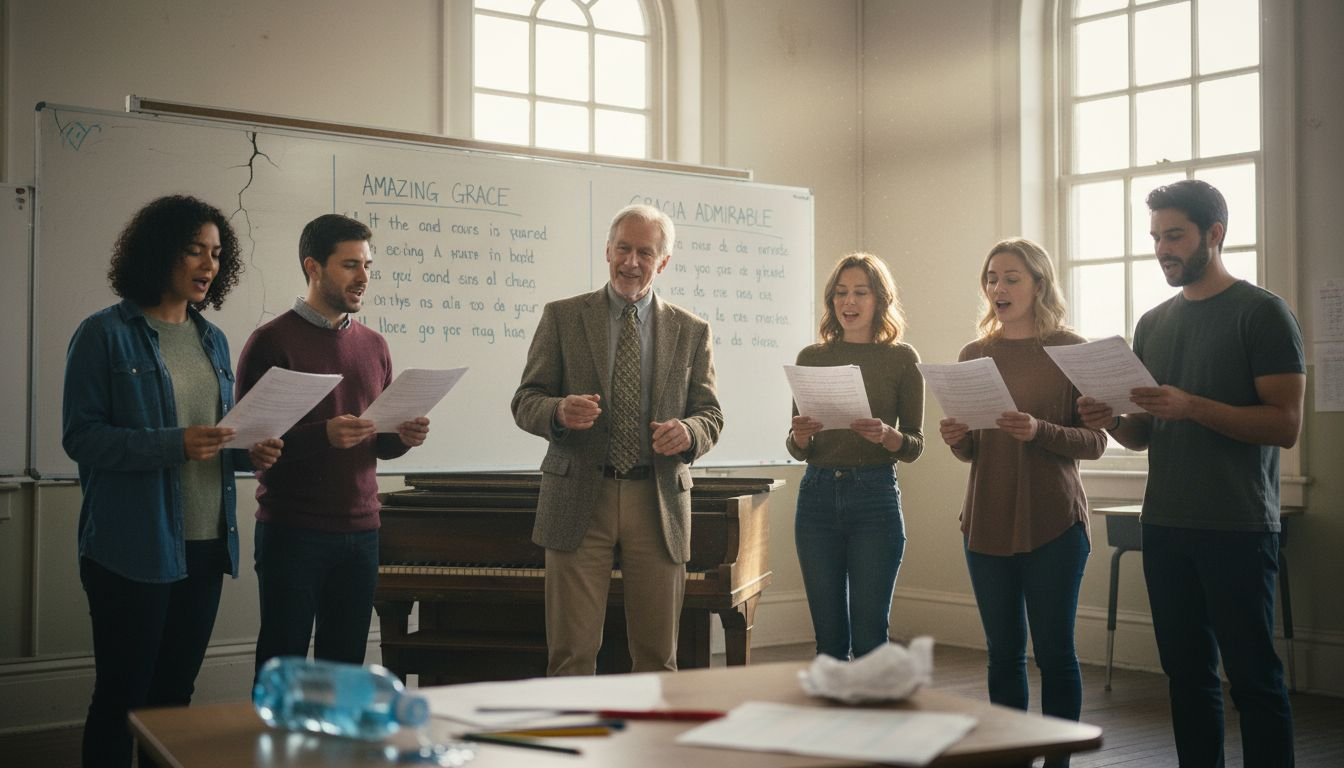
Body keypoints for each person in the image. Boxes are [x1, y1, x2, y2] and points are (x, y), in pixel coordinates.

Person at [1079, 180, 1303, 767]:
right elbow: (1146, 433)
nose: (1161, 249)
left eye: (1173, 235)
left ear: (1215, 234)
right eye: (1155, 237)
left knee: (1254, 678)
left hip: (1238, 524)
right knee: (1185, 676)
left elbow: (1284, 425)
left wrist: (1193, 406)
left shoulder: (1264, 313)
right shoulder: (1152, 324)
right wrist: (1111, 420)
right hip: (1167, 523)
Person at [63, 195, 282, 768]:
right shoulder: (103, 335)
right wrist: (173, 443)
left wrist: (249, 452)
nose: (208, 265)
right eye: (194, 251)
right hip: (131, 547)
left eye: (216, 254)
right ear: (160, 253)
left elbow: (215, 444)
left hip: (206, 546)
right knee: (123, 701)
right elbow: (82, 439)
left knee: (173, 701)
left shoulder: (213, 341)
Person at [511, 203, 722, 676]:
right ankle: (575, 745)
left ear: (662, 262)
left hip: (659, 497)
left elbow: (710, 414)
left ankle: (648, 748)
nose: (631, 262)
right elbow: (526, 400)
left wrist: (688, 432)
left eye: (644, 252)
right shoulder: (563, 317)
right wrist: (558, 411)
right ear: (607, 250)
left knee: (657, 658)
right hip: (579, 493)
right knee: (571, 654)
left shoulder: (692, 330)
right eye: (622, 249)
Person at [237, 213, 431, 677]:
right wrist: (323, 435)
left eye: (367, 265)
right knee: (282, 665)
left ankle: (331, 753)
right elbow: (247, 448)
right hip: (293, 531)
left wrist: (402, 438)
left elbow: (376, 446)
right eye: (350, 265)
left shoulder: (375, 345)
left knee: (342, 669)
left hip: (362, 532)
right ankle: (274, 751)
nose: (363, 277)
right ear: (313, 267)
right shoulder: (270, 341)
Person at [939, 238, 1105, 766]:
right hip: (985, 522)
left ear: (1038, 283)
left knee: (1055, 656)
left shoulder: (1072, 350)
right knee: (1003, 656)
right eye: (991, 278)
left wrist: (1039, 430)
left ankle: (1058, 761)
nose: (998, 288)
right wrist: (957, 436)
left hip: (1055, 524)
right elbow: (972, 452)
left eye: (1011, 278)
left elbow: (1097, 442)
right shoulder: (974, 355)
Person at [786, 253, 924, 661]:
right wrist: (800, 437)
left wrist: (887, 435)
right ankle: (835, 724)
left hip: (875, 496)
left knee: (869, 640)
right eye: (841, 293)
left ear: (879, 299)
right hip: (816, 496)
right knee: (828, 644)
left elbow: (915, 445)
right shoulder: (812, 356)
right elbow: (797, 448)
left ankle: (873, 723)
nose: (849, 302)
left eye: (860, 292)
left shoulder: (902, 358)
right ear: (831, 301)